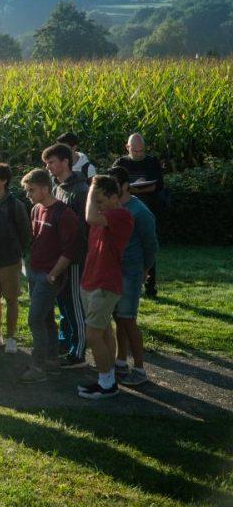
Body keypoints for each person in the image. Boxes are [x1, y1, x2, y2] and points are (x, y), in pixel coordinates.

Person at [18, 169, 82, 384]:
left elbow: (70, 250)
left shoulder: (64, 214)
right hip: (35, 272)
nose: (28, 195)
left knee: (34, 318)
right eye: (27, 191)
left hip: (49, 275)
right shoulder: (36, 209)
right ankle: (53, 362)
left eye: (31, 190)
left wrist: (53, 274)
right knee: (45, 318)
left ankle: (38, 367)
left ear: (45, 188)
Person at [77, 175, 134, 399]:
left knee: (92, 335)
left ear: (113, 197)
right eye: (96, 201)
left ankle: (106, 383)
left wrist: (91, 187)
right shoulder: (105, 216)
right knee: (104, 332)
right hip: (91, 281)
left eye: (100, 200)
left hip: (105, 283)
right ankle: (108, 379)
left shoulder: (121, 215)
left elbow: (90, 217)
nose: (96, 205)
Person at [107, 166, 159, 387]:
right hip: (113, 271)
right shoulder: (111, 207)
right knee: (118, 317)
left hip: (130, 272)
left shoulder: (139, 211)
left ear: (126, 185)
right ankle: (120, 362)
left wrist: (144, 270)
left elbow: (151, 245)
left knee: (128, 319)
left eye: (114, 185)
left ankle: (139, 368)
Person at [42, 142, 89, 368]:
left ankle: (78, 352)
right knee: (63, 302)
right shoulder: (57, 187)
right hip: (58, 256)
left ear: (65, 161)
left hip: (75, 257)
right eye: (46, 163)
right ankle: (65, 341)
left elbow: (82, 229)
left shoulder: (80, 190)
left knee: (75, 305)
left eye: (52, 162)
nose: (48, 167)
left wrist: (71, 255)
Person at [0, 163, 31, 354]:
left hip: (10, 260)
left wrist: (17, 254)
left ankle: (11, 337)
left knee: (11, 299)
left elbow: (25, 233)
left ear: (4, 180)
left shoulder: (16, 205)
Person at [112, 133, 165, 299]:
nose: (139, 154)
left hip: (147, 209)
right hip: (125, 209)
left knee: (148, 246)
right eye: (135, 151)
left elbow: (159, 184)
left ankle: (150, 286)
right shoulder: (120, 164)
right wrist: (132, 190)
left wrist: (133, 189)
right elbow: (114, 184)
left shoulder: (151, 162)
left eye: (142, 151)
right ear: (127, 148)